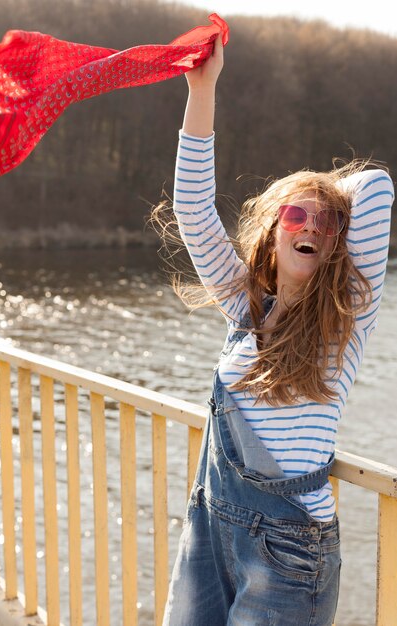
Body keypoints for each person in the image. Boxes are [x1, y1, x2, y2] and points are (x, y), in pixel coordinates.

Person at [158, 34, 394, 626]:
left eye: (325, 222)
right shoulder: (245, 308)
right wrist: (203, 88)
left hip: (288, 552)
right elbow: (191, 207)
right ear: (274, 229)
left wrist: (318, 190)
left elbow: (377, 188)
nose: (309, 224)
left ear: (338, 243)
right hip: (210, 529)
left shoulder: (343, 325)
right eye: (295, 214)